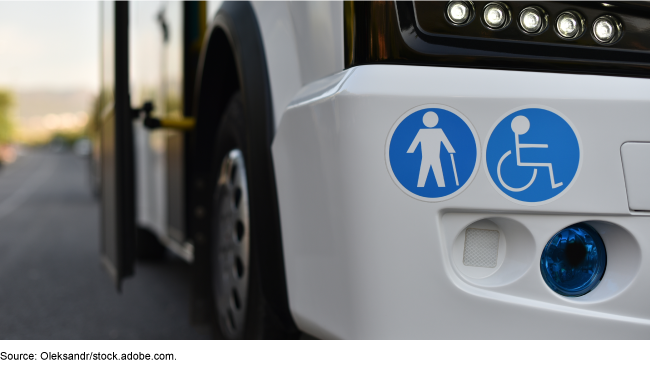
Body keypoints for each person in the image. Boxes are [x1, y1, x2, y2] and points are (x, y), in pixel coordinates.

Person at [407, 111, 455, 187]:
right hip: (426, 157)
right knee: (424, 172)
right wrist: (450, 150)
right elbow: (414, 144)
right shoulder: (423, 132)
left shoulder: (437, 131)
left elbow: (446, 142)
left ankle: (440, 186)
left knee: (437, 172)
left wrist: (450, 149)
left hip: (435, 157)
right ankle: (423, 186)